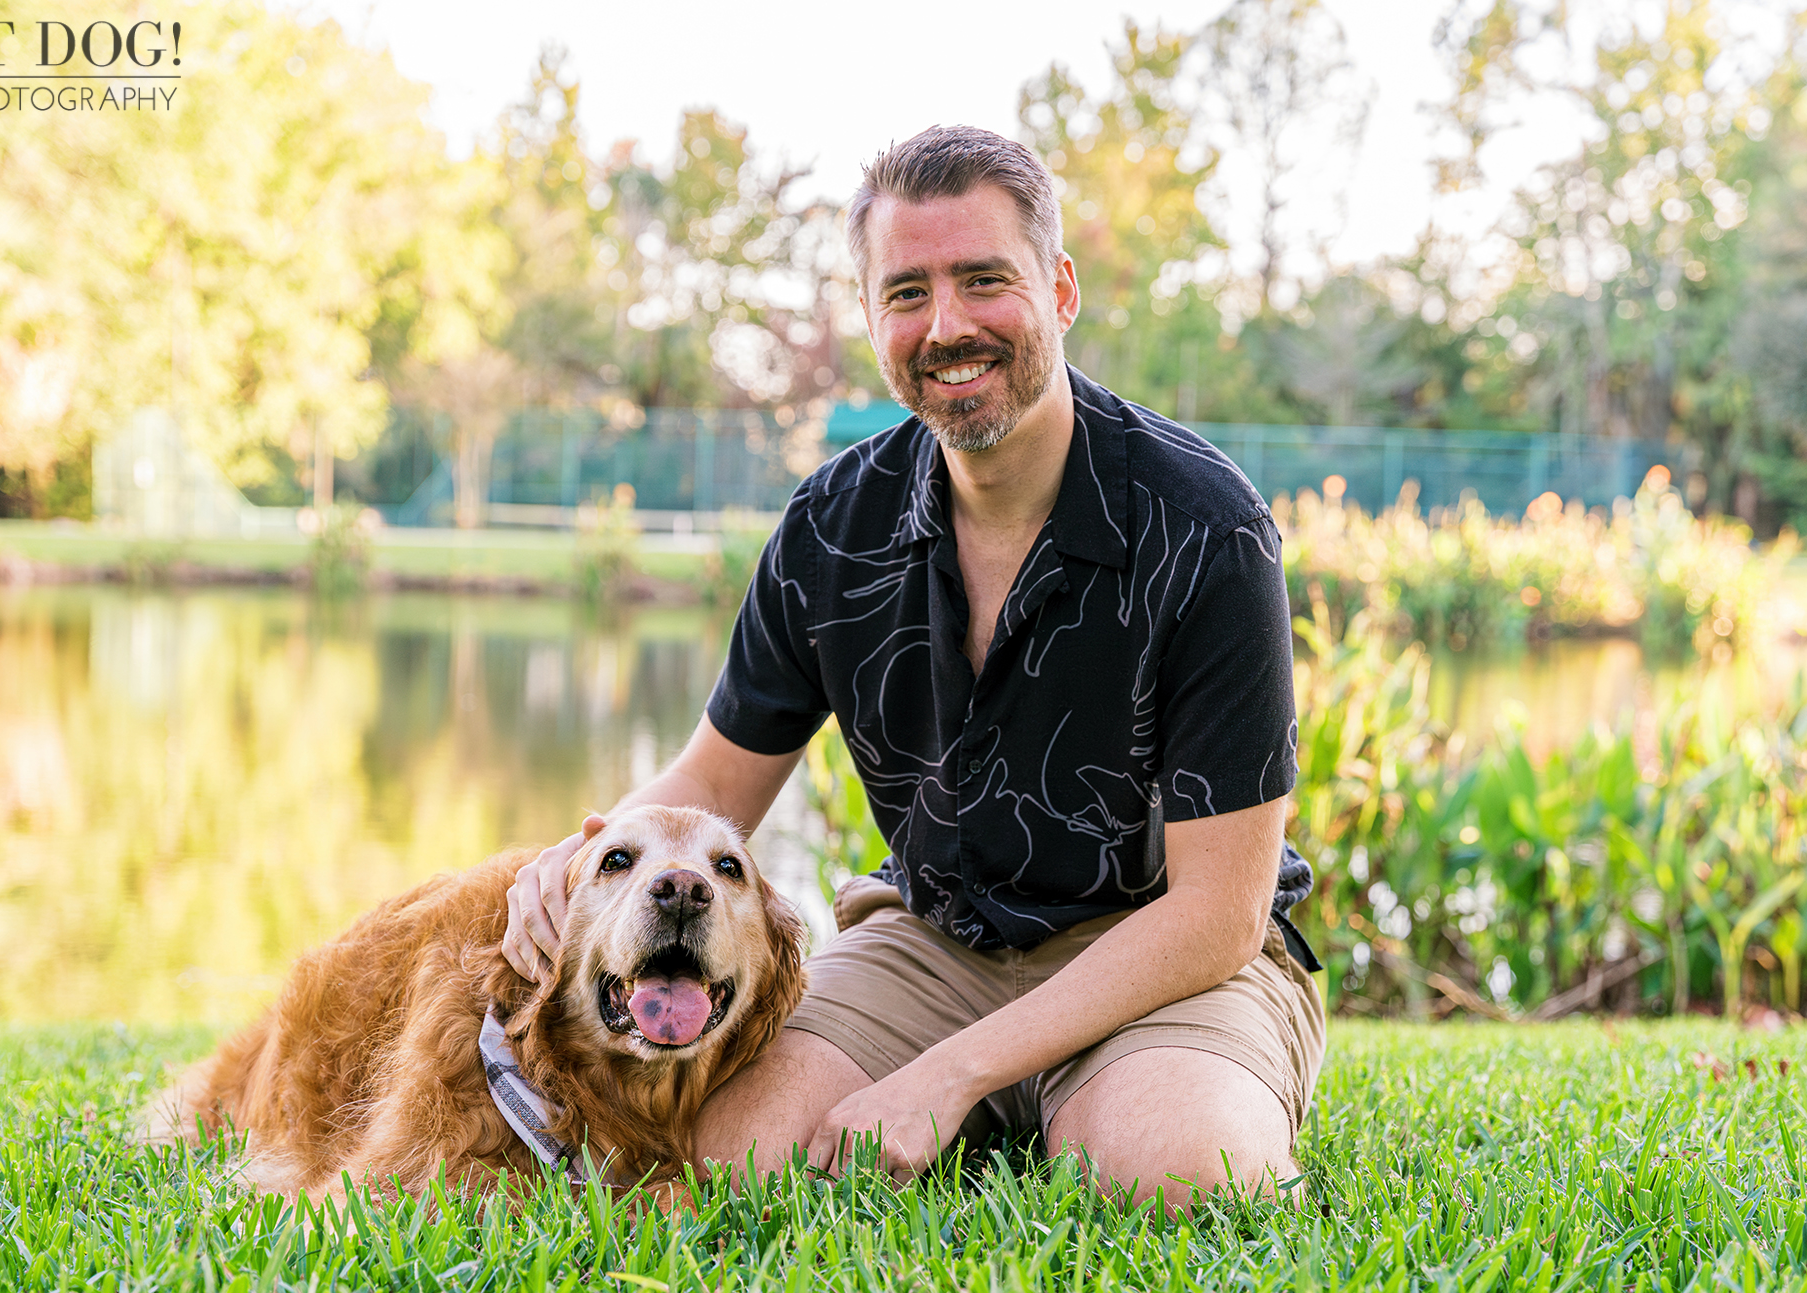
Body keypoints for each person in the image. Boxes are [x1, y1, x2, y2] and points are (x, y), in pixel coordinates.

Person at [503, 125, 1325, 1212]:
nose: (945, 327)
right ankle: (1019, 1104)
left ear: (1059, 289)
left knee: (1185, 1177)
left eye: (983, 280)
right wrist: (569, 858)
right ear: (872, 317)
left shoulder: (1205, 529)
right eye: (905, 293)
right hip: (934, 939)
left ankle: (1093, 1094)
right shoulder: (829, 528)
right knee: (725, 1159)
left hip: (1160, 953)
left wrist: (950, 1072)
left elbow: (1218, 914)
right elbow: (709, 789)